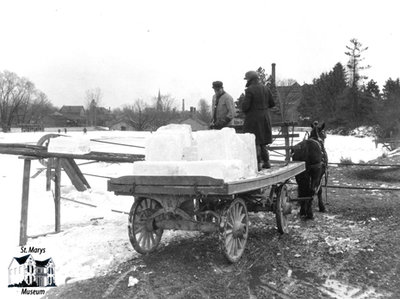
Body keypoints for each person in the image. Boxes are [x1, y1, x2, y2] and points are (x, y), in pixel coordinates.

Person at [242, 70, 275, 170]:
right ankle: (267, 162)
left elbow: (245, 107)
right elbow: (272, 103)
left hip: (253, 119)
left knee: (255, 141)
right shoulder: (266, 88)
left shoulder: (250, 90)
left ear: (250, 80)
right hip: (265, 118)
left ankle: (258, 163)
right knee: (263, 141)